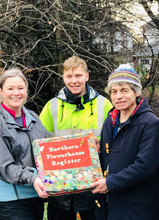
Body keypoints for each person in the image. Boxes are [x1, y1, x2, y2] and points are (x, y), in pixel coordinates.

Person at [39, 56, 113, 220]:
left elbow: (116, 143)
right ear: (63, 77)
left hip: (93, 189)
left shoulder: (105, 105)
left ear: (87, 76)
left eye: (78, 76)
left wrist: (102, 145)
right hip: (60, 193)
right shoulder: (51, 107)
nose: (74, 81)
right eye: (69, 76)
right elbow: (39, 146)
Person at [91, 64, 159, 220]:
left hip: (136, 208)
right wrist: (96, 152)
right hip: (109, 206)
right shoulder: (110, 120)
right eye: (114, 91)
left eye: (125, 91)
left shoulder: (151, 124)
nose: (119, 96)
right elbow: (108, 158)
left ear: (136, 92)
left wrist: (110, 183)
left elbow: (145, 167)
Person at [0, 68, 49, 220]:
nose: (16, 93)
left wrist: (83, 145)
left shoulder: (32, 117)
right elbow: (3, 166)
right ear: (1, 91)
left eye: (20, 88)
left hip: (35, 194)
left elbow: (48, 148)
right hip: (11, 201)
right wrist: (32, 178)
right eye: (10, 89)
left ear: (26, 90)